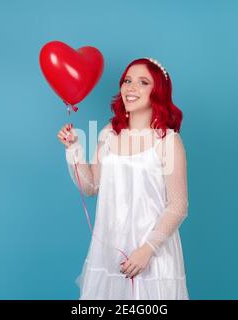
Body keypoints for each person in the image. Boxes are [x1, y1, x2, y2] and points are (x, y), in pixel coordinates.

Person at [57, 57, 189, 299]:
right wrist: (74, 149)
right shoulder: (108, 134)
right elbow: (91, 187)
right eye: (127, 80)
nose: (130, 87)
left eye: (142, 82)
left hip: (152, 254)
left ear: (157, 91)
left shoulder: (168, 141)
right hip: (110, 251)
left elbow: (178, 206)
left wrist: (147, 251)